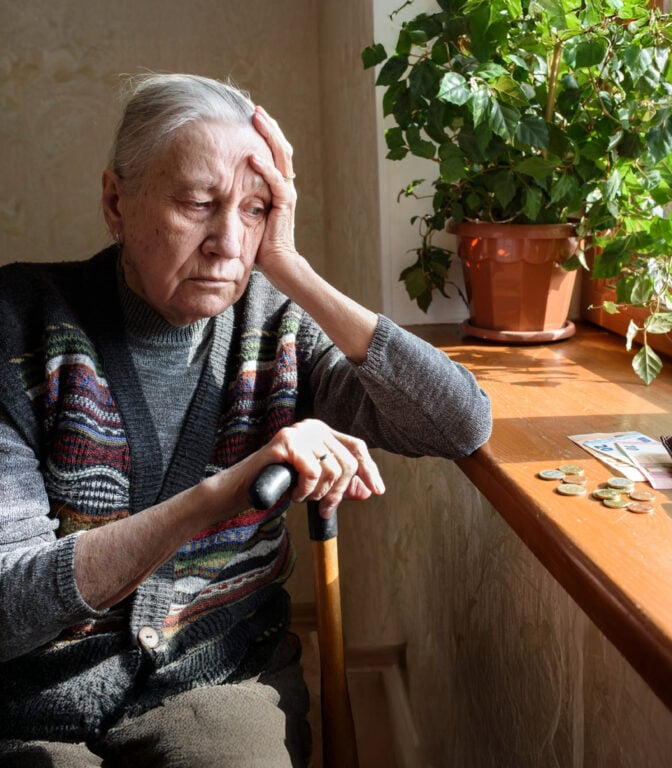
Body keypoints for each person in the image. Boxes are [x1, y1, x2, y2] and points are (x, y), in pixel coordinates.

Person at [0, 73, 491, 767]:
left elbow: (459, 421)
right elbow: (7, 596)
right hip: (32, 704)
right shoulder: (18, 326)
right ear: (117, 201)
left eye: (256, 209)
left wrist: (290, 269)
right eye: (199, 204)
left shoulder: (278, 328)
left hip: (217, 678)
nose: (229, 242)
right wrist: (225, 490)